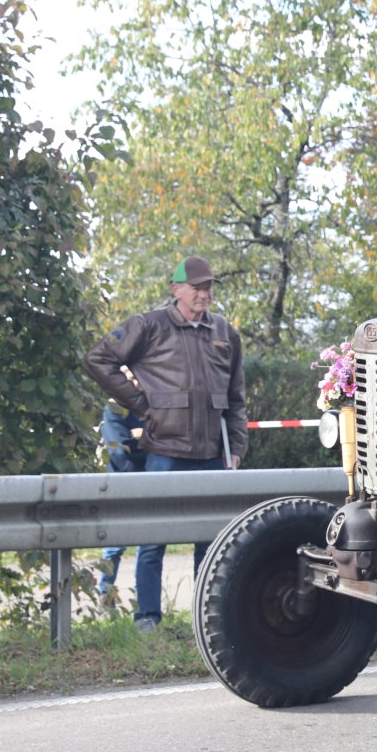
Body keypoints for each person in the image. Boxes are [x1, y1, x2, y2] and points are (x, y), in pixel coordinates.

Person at [85, 256, 248, 631]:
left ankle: (207, 619)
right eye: (197, 287)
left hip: (213, 455)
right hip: (163, 451)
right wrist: (143, 406)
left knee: (211, 541)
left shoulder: (225, 332)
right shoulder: (149, 325)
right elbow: (97, 359)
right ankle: (147, 618)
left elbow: (237, 399)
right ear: (176, 289)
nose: (204, 294)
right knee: (153, 538)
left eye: (208, 287)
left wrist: (237, 449)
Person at [96, 388, 147, 601]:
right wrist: (149, 439)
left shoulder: (152, 403)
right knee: (115, 545)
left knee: (147, 545)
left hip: (149, 485)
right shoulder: (114, 408)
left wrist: (139, 438)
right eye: (128, 376)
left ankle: (142, 600)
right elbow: (119, 452)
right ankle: (105, 597)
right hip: (121, 486)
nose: (134, 382)